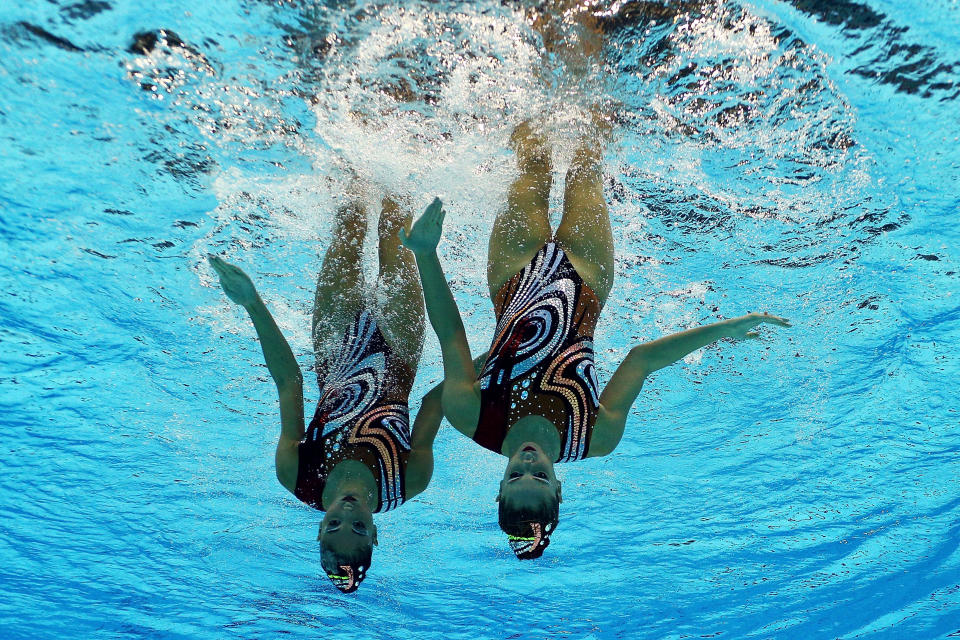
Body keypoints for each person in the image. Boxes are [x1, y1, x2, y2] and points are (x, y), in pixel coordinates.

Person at [399, 4, 790, 561]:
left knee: (531, 158)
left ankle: (535, 26)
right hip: (586, 280)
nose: (529, 463)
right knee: (587, 153)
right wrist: (727, 328)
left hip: (513, 276)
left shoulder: (471, 417)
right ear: (559, 489)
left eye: (516, 478)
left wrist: (427, 256)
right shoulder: (595, 438)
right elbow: (638, 361)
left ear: (500, 484)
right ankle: (586, 28)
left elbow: (451, 337)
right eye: (540, 478)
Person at [209, 192, 443, 592]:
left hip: (337, 346)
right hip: (399, 351)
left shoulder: (296, 474)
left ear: (319, 530)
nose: (348, 513)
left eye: (334, 524)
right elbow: (435, 402)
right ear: (374, 534)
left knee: (349, 219)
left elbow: (290, 382)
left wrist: (252, 304)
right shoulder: (408, 480)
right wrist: (492, 357)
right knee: (398, 229)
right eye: (358, 526)